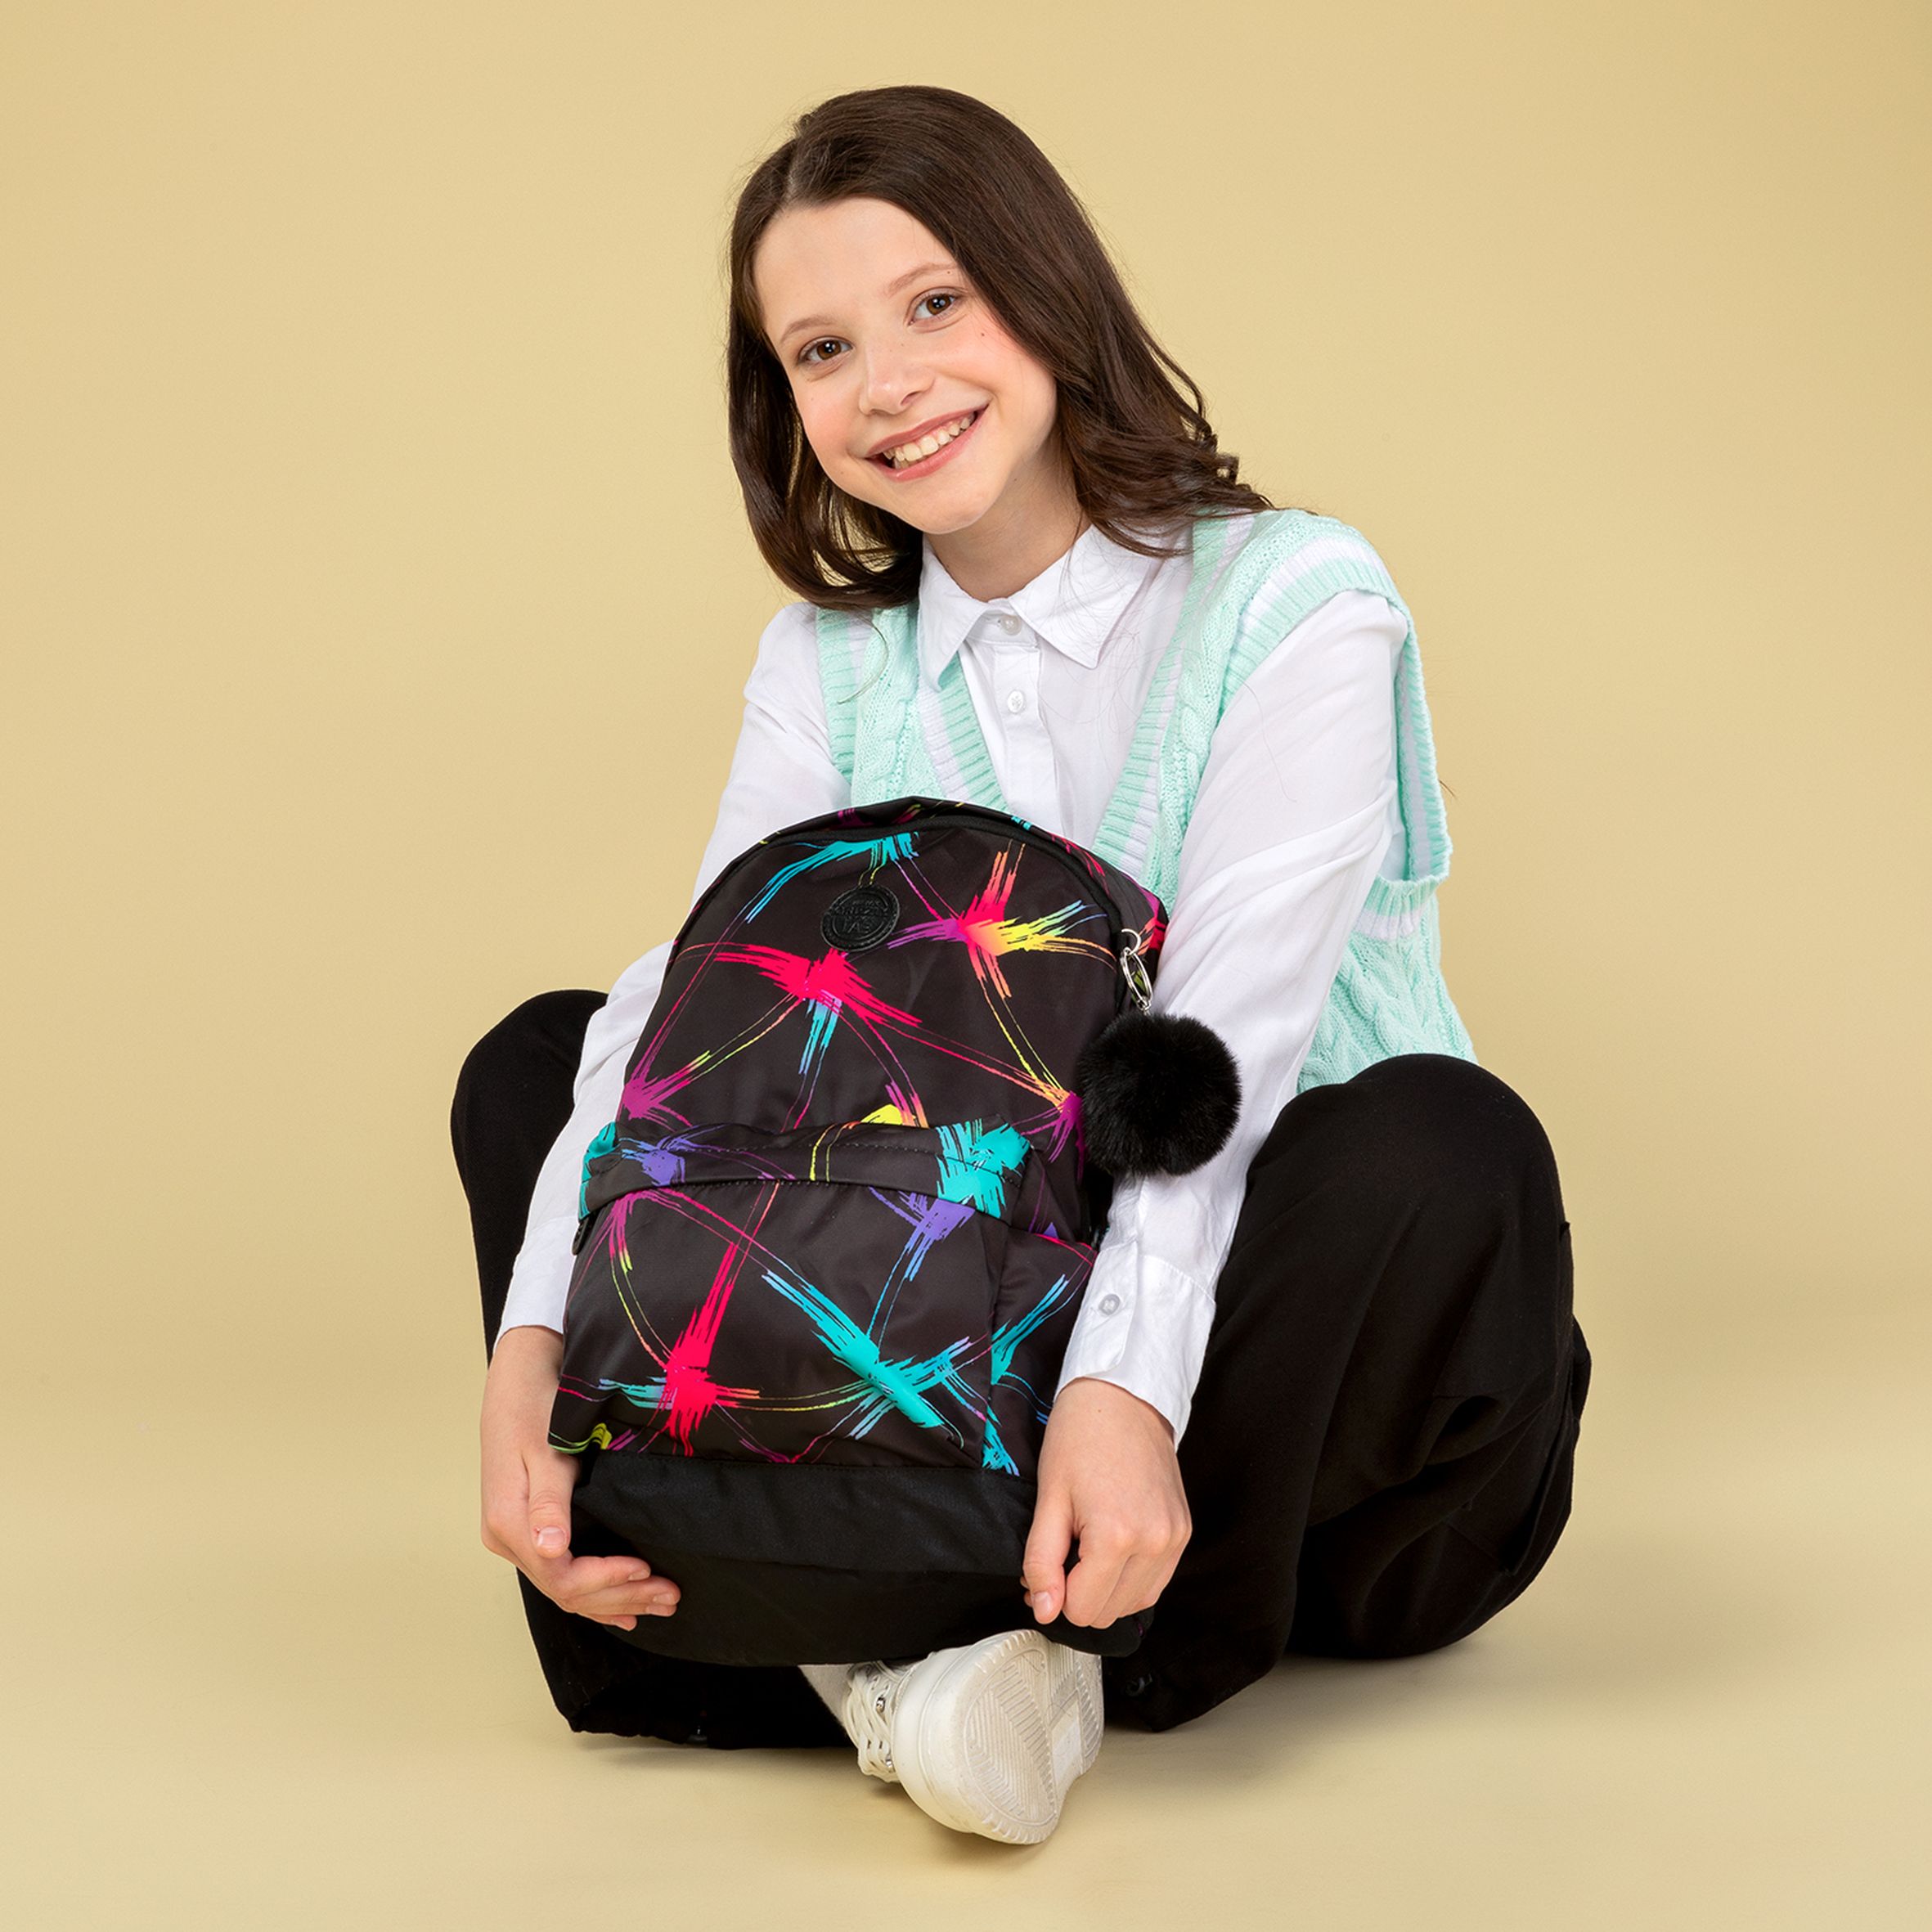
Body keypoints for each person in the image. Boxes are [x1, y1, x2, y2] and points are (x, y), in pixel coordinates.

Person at [451, 83, 1588, 1846]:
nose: (888, 385)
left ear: (1044, 294)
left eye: (934, 304)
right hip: (969, 1371)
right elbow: (685, 1017)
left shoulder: (1296, 602)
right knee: (549, 1061)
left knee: (1436, 1138)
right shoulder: (825, 663)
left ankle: (906, 1644)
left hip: (1305, 1436)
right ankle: (928, 1662)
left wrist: (1122, 1397)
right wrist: (531, 1353)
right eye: (821, 349)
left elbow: (1220, 1050)